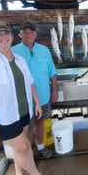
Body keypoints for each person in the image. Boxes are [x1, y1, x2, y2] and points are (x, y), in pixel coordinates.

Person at [0, 21, 54, 175]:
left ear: (11, 36)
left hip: (23, 112)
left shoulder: (19, 60)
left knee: (21, 145)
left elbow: (30, 83)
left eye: (6, 33)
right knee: (24, 146)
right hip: (4, 117)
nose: (3, 37)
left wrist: (37, 104)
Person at [12, 21, 58, 159]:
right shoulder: (13, 51)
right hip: (24, 99)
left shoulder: (44, 50)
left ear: (35, 34)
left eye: (31, 32)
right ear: (20, 34)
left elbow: (52, 72)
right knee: (27, 128)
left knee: (40, 122)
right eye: (25, 32)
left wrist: (54, 90)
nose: (28, 34)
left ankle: (41, 147)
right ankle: (28, 153)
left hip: (43, 96)